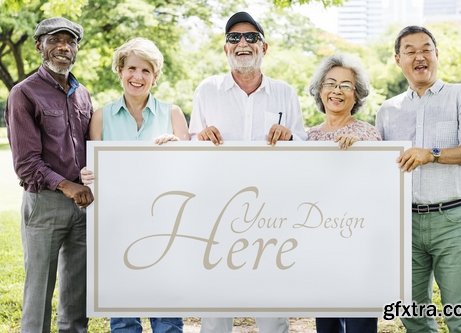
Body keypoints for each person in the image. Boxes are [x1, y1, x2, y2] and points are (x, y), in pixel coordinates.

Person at [188, 11, 307, 333]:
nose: (242, 43)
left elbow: (304, 143)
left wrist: (290, 136)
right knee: (216, 300)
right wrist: (199, 137)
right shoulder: (207, 90)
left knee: (271, 301)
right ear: (225, 48)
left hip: (271, 210)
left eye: (251, 37)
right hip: (219, 209)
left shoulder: (285, 92)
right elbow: (190, 145)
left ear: (264, 47)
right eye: (234, 38)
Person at [376, 26, 461, 333]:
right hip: (406, 225)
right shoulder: (387, 110)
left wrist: (432, 154)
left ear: (437, 55)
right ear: (397, 59)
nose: (420, 56)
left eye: (426, 49)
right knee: (413, 316)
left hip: (453, 220)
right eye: (410, 51)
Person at [81, 37, 188, 332]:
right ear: (120, 70)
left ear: (155, 76)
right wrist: (88, 175)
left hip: (165, 227)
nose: (137, 77)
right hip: (118, 226)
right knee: (124, 316)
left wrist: (179, 147)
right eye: (131, 68)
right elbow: (93, 170)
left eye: (146, 71)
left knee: (166, 314)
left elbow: (190, 174)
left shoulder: (173, 114)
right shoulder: (101, 117)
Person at [5, 17, 94, 332]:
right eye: (55, 40)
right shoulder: (24, 93)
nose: (63, 47)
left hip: (83, 205)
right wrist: (67, 186)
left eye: (70, 42)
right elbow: (27, 163)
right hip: (45, 204)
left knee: (77, 293)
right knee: (39, 290)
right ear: (38, 45)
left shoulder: (83, 94)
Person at [307, 53, 380, 333]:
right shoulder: (308, 137)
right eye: (331, 83)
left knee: (360, 322)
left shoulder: (367, 134)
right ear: (320, 90)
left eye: (346, 85)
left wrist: (359, 149)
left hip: (358, 242)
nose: (337, 91)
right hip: (320, 242)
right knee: (326, 323)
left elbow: (376, 185)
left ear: (356, 94)